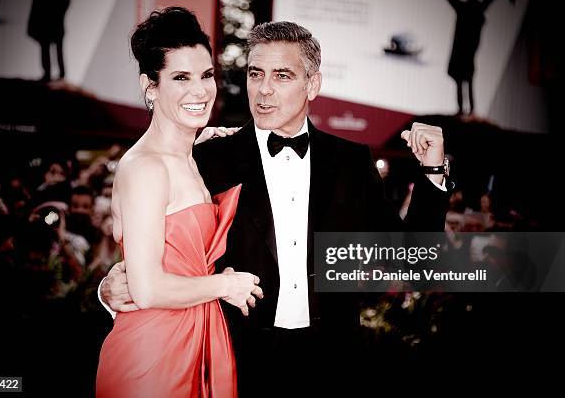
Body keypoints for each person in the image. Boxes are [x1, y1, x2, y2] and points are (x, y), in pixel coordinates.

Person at [101, 21, 450, 396]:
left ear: (312, 84)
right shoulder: (206, 157)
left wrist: (432, 175)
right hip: (236, 361)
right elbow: (166, 247)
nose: (264, 90)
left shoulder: (350, 161)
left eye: (282, 76)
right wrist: (109, 288)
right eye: (256, 74)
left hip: (334, 362)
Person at [95, 7, 263, 398]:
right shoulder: (144, 168)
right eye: (181, 78)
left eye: (206, 75)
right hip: (152, 356)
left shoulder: (198, 155)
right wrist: (224, 285)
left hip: (199, 338)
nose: (200, 91)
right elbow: (149, 288)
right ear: (150, 87)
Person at [442, 0, 514, 115]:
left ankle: (466, 110)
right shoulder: (477, 9)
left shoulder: (465, 8)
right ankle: (467, 110)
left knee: (463, 82)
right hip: (466, 54)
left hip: (463, 54)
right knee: (466, 82)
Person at [27, 0, 71, 82]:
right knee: (47, 46)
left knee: (55, 47)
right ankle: (50, 73)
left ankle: (60, 74)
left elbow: (65, 1)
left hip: (53, 20)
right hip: (46, 20)